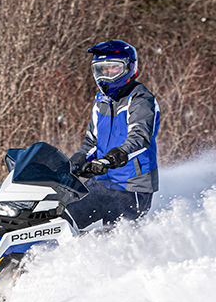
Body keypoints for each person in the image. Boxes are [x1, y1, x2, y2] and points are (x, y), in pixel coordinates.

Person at [66, 39, 160, 230]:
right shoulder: (101, 100)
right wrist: (77, 160)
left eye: (113, 69)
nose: (107, 76)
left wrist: (112, 159)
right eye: (102, 70)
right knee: (63, 219)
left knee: (114, 238)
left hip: (131, 187)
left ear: (128, 68)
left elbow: (140, 138)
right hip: (102, 182)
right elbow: (92, 141)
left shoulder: (140, 99)